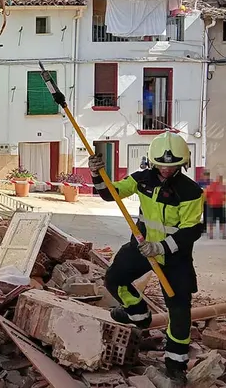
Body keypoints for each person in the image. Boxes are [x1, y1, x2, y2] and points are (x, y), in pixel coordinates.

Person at [89, 132, 202, 386]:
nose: (165, 169)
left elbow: (190, 231)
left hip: (174, 256)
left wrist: (160, 247)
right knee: (114, 279)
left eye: (172, 166)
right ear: (152, 161)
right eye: (161, 164)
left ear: (182, 164)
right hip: (141, 246)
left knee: (179, 309)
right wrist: (97, 174)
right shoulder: (142, 180)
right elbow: (111, 193)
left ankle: (175, 364)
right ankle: (138, 315)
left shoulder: (191, 192)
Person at [205, 175, 226, 240]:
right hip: (213, 205)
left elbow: (224, 195)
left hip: (219, 205)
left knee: (221, 221)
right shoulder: (212, 186)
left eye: (221, 179)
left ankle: (223, 234)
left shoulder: (222, 186)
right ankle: (211, 234)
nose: (220, 180)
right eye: (219, 179)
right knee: (212, 221)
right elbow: (207, 194)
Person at [197, 169, 212, 233]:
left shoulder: (210, 183)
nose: (206, 176)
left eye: (207, 175)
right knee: (199, 214)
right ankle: (198, 226)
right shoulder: (199, 183)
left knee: (207, 215)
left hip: (208, 201)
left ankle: (205, 228)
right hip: (200, 201)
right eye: (205, 175)